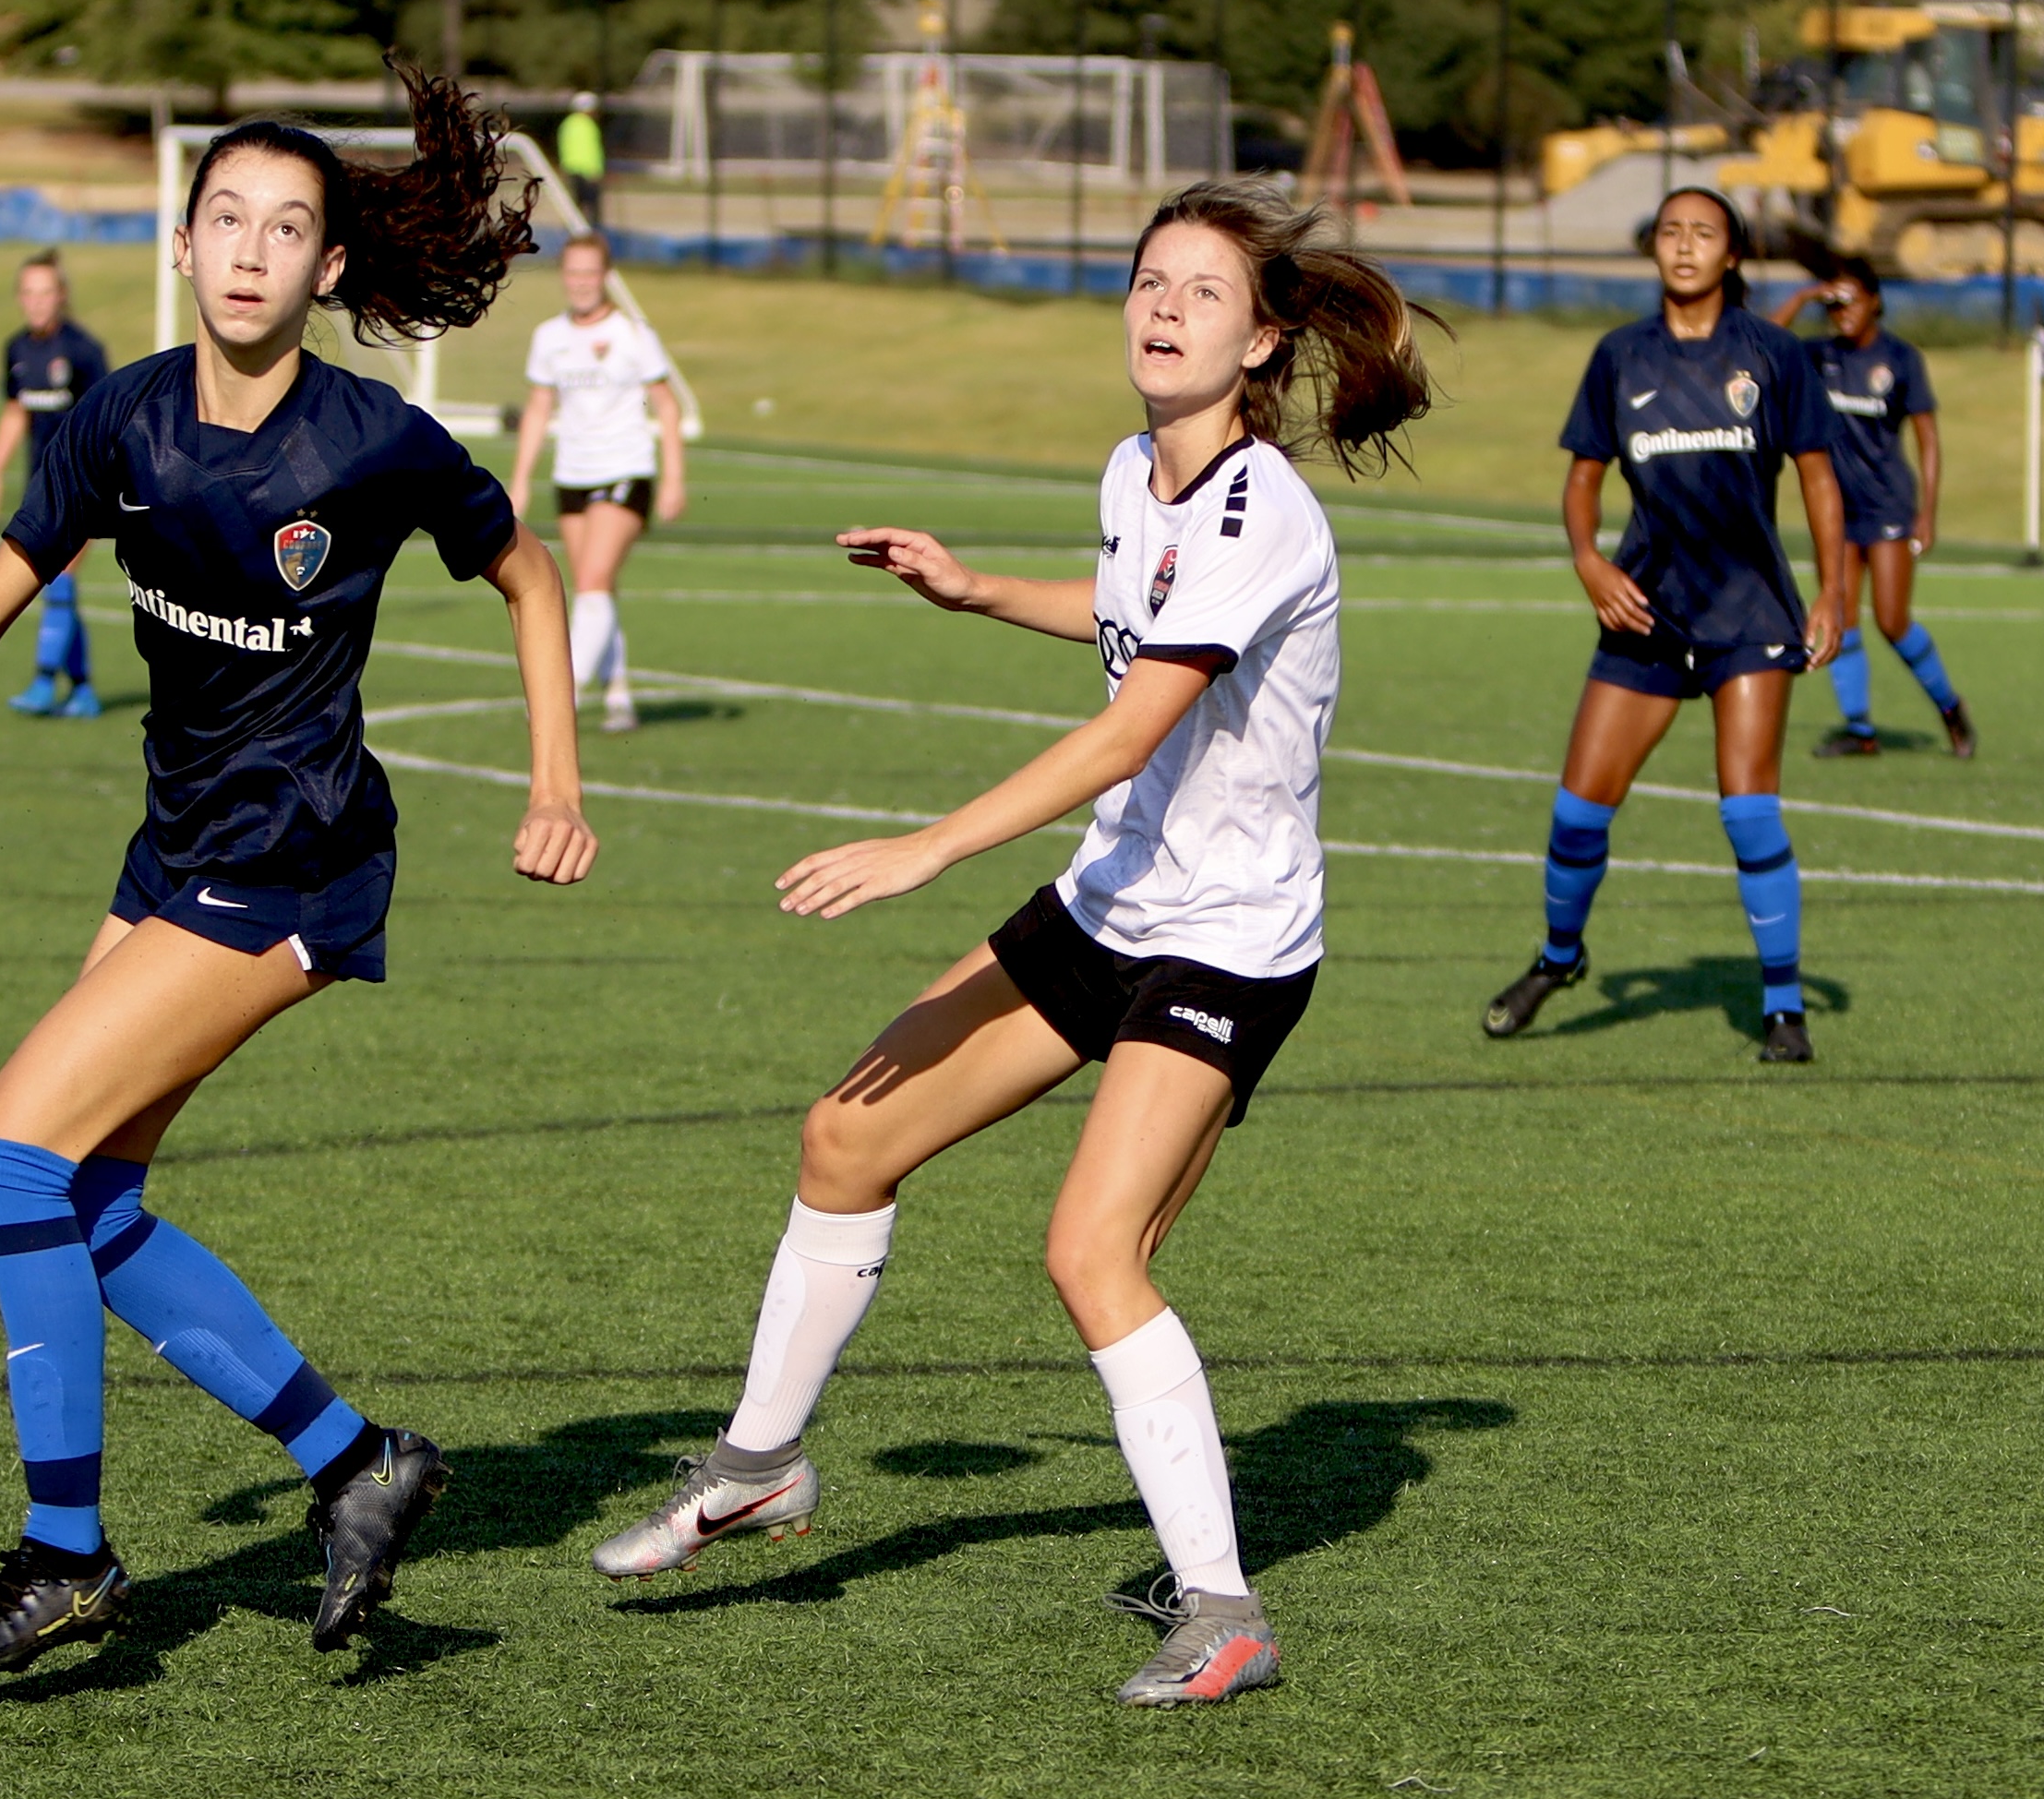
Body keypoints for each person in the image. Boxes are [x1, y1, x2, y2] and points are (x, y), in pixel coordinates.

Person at [591, 179, 1434, 1709]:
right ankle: (761, 1463)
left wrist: (925, 844)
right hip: (1108, 905)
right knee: (845, 1133)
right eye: (1147, 279)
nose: (1163, 304)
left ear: (1259, 340)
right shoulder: (1137, 467)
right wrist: (976, 586)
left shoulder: (1265, 510)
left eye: (1198, 289)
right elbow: (1128, 609)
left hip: (1227, 944)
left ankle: (1225, 1609)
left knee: (1088, 1248)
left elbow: (1132, 721)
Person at [0, 68, 595, 1685]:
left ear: (329, 266)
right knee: (87, 1192)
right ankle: (357, 1461)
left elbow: (529, 572)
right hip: (174, 849)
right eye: (228, 219)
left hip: (295, 860)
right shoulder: (116, 418)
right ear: (183, 240)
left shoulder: (373, 441)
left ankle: (65, 1556)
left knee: (2, 1158)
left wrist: (556, 781)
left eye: (290, 225)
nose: (254, 249)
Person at [1486, 186, 1848, 1064]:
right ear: (1655, 250)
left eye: (1705, 235)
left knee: (1749, 813)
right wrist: (1588, 561)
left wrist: (1834, 592)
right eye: (1671, 233)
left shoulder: (1774, 355)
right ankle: (1559, 958)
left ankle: (1782, 1008)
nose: (1684, 247)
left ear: (1731, 256)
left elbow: (1817, 476)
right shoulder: (1619, 357)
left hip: (1748, 611)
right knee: (1577, 814)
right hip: (1645, 608)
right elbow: (1582, 480)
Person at [1773, 265, 1972, 761]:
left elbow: (1927, 438)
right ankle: (1860, 730)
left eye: (1852, 303)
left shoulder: (1900, 358)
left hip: (1888, 506)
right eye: (1834, 306)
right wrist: (1804, 296)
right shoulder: (1819, 356)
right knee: (1841, 616)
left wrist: (1928, 511)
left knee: (1892, 619)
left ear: (1875, 303)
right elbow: (1767, 345)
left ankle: (1950, 707)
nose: (1842, 315)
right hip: (1837, 512)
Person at [508, 232, 685, 730]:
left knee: (592, 583)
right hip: (574, 476)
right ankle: (619, 694)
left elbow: (668, 407)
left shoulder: (633, 334)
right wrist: (521, 479)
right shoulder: (550, 337)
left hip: (625, 470)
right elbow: (540, 408)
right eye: (574, 272)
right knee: (596, 591)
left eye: (590, 273)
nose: (581, 283)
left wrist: (673, 478)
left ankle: (564, 692)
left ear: (605, 277)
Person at [0, 253, 111, 719]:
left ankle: (41, 681)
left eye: (45, 292)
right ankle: (83, 689)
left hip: (84, 487)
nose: (36, 302)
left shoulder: (83, 351)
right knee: (58, 583)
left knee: (59, 581)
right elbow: (15, 413)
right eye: (28, 293)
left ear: (62, 296)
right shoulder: (17, 349)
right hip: (40, 489)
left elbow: (105, 421)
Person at [554, 89, 607, 226]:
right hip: (587, 171)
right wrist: (596, 171)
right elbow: (591, 150)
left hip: (571, 168)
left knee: (575, 206)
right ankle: (591, 236)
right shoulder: (588, 125)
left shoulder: (567, 124)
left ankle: (573, 231)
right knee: (592, 208)